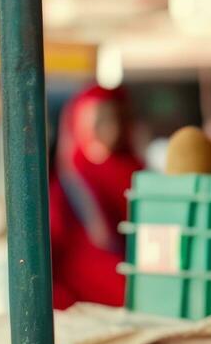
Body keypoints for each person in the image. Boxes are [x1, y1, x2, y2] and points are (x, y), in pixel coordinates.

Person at [50, 85, 142, 309]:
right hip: (86, 308)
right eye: (101, 118)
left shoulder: (136, 171)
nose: (111, 127)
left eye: (116, 117)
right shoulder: (69, 179)